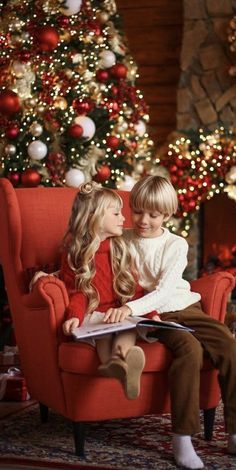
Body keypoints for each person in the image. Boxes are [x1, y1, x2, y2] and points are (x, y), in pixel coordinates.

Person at [103, 175, 236, 470]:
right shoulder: (119, 240)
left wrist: (129, 307)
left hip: (182, 305)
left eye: (153, 214)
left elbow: (164, 291)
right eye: (138, 211)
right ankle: (182, 437)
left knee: (228, 344)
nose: (143, 220)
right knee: (189, 351)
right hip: (151, 315)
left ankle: (234, 432)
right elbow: (87, 258)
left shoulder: (175, 244)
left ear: (167, 214)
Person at [34, 181, 150, 401]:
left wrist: (150, 314)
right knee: (103, 334)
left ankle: (122, 363)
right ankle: (117, 368)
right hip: (96, 315)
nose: (123, 218)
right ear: (95, 217)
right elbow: (76, 292)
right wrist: (74, 316)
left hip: (121, 311)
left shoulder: (121, 247)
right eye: (116, 213)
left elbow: (133, 286)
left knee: (126, 329)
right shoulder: (75, 253)